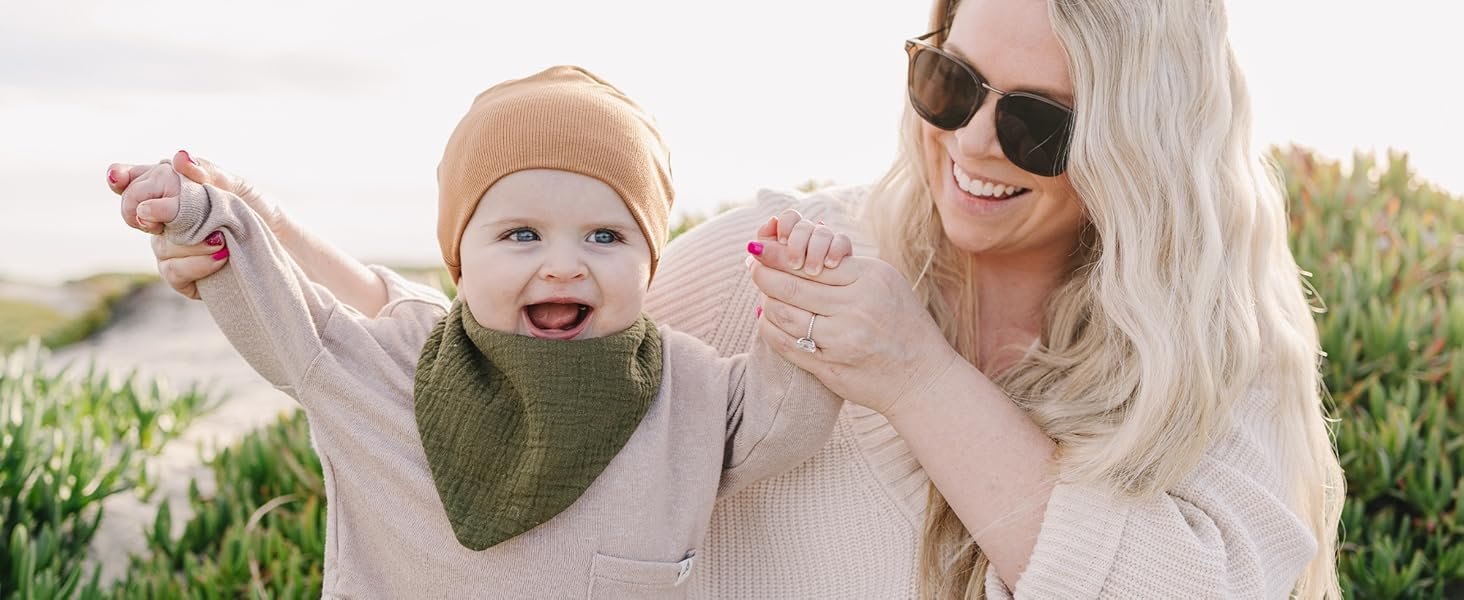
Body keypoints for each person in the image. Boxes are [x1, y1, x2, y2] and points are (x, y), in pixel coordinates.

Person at [111, 0, 1345, 597]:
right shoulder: (774, 258)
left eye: (1033, 120)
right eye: (946, 81)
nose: (971, 140)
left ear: (1142, 143)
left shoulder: (1212, 361)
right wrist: (257, 234)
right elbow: (486, 362)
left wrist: (915, 374)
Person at [108, 65, 854, 598]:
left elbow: (780, 422)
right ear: (458, 258)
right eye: (522, 234)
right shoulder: (394, 359)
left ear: (649, 259)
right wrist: (206, 216)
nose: (564, 266)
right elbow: (290, 315)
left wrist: (806, 303)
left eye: (605, 237)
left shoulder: (685, 386)